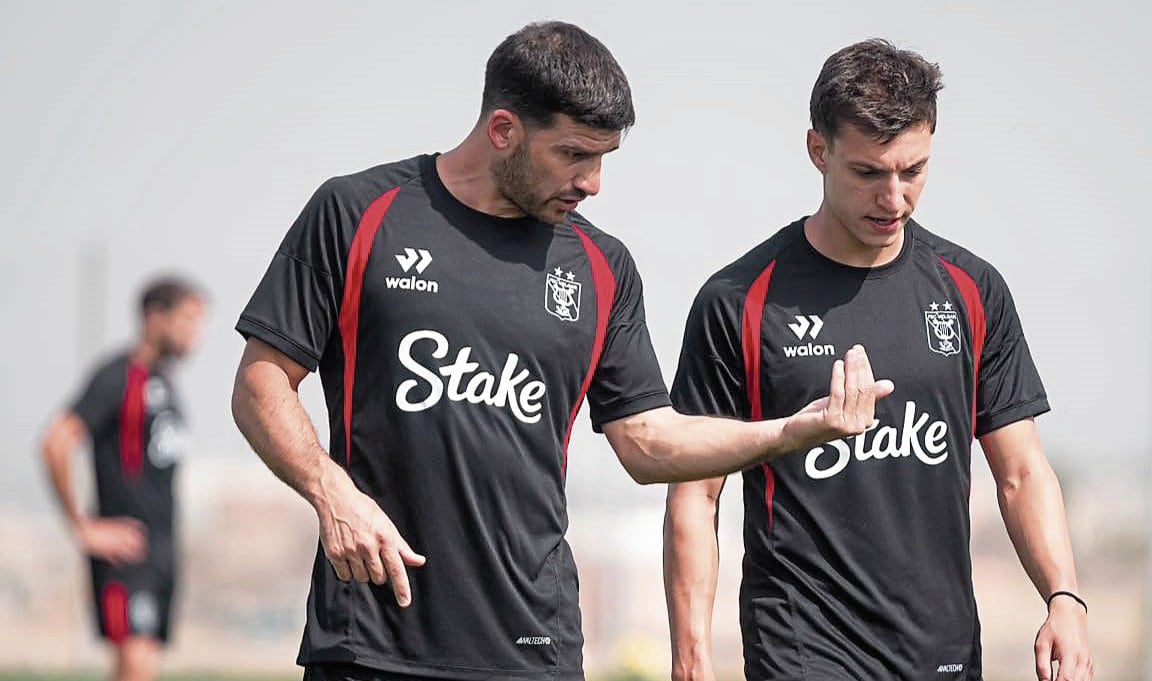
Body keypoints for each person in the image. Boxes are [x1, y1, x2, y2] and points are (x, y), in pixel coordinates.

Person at [230, 21, 894, 681]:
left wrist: (788, 430)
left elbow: (646, 442)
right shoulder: (358, 214)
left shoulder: (602, 267)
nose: (594, 182)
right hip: (372, 640)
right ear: (503, 131)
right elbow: (261, 382)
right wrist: (329, 489)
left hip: (534, 648)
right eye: (575, 154)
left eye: (603, 158)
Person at [663, 39, 1093, 681]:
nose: (894, 198)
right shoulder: (739, 302)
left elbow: (1021, 471)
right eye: (869, 173)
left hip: (941, 651)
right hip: (802, 649)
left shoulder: (972, 291)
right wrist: (691, 657)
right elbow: (696, 493)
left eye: (913, 171)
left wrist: (1063, 595)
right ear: (819, 152)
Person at [41, 277, 205, 681]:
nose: (195, 334)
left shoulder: (165, 384)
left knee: (139, 667)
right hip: (126, 555)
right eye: (187, 319)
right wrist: (82, 527)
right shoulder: (118, 376)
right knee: (137, 668)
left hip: (160, 554)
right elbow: (56, 443)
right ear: (154, 316)